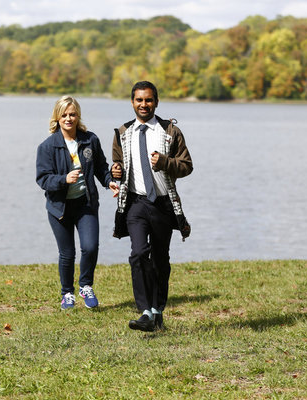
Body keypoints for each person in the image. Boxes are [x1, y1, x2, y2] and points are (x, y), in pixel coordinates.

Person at [111, 81, 193, 331]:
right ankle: (145, 311)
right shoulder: (123, 132)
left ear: (156, 102)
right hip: (135, 203)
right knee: (138, 253)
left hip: (163, 204)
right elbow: (117, 165)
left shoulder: (170, 131)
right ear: (132, 102)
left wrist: (166, 162)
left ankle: (157, 310)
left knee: (160, 259)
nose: (143, 104)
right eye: (139, 100)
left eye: (148, 100)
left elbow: (187, 166)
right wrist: (115, 172)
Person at [36, 95, 119, 310]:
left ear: (78, 116)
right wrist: (64, 179)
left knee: (90, 247)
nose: (68, 118)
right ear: (57, 117)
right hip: (59, 208)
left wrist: (109, 181)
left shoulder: (90, 140)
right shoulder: (47, 147)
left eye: (72, 114)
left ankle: (85, 286)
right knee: (67, 253)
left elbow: (101, 167)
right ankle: (67, 294)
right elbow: (43, 178)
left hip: (86, 204)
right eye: (64, 114)